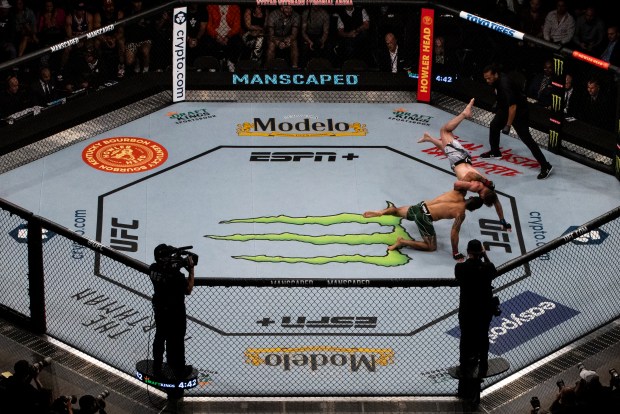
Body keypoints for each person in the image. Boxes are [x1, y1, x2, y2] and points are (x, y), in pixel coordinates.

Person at [417, 98, 511, 231]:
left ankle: (429, 138)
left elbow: (497, 203)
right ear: (483, 196)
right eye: (483, 199)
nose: (481, 199)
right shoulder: (477, 186)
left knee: (446, 149)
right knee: (445, 131)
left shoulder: (489, 188)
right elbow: (472, 176)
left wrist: (502, 220)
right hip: (459, 160)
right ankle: (464, 114)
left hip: (464, 159)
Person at [362, 189, 484, 261]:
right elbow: (454, 233)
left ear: (471, 196)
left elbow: (464, 180)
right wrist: (455, 252)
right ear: (473, 210)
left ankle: (381, 212)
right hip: (424, 217)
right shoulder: (460, 213)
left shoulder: (457, 193)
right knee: (431, 247)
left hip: (420, 206)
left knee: (397, 211)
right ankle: (402, 242)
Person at [481, 64, 553, 180]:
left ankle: (546, 166)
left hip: (519, 113)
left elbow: (513, 107)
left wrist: (508, 125)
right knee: (494, 125)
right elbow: (500, 95)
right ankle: (495, 151)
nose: (487, 80)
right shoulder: (496, 81)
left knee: (527, 139)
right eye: (486, 78)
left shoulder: (505, 84)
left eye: (489, 78)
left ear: (495, 75)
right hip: (505, 108)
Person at [454, 239, 497, 403]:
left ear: (468, 251)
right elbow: (493, 271)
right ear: (481, 252)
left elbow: (459, 277)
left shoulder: (461, 267)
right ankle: (483, 364)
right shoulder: (487, 267)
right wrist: (485, 256)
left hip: (467, 311)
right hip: (483, 310)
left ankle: (464, 367)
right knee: (483, 336)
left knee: (465, 338)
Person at [149, 244, 195, 379]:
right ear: (164, 258)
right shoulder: (176, 276)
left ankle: (157, 367)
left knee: (160, 336)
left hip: (160, 309)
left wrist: (176, 262)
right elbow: (188, 289)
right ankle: (179, 369)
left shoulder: (153, 269)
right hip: (175, 313)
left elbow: (163, 270)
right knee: (177, 341)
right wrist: (191, 270)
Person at [204, 4, 243, 72]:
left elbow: (237, 26)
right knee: (207, 43)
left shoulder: (235, 7)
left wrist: (228, 36)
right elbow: (209, 26)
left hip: (230, 33)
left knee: (239, 43)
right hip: (216, 32)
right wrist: (216, 36)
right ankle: (214, 63)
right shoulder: (211, 6)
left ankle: (231, 62)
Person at [265, 5, 300, 70]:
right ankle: (269, 67)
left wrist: (288, 40)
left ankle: (295, 67)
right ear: (281, 8)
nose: (289, 10)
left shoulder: (296, 16)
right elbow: (271, 35)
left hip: (288, 37)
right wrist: (278, 42)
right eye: (286, 7)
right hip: (275, 37)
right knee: (271, 45)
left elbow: (294, 34)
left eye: (291, 7)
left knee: (294, 43)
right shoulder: (273, 15)